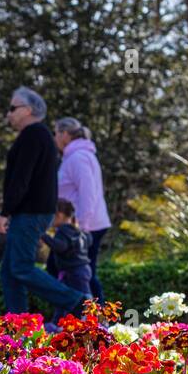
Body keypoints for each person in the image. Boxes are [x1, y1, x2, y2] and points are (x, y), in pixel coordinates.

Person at [0, 88, 89, 321]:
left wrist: (5, 213)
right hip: (33, 211)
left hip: (31, 212)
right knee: (9, 273)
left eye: (13, 108)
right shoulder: (38, 135)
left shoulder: (33, 135)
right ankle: (19, 328)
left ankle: (78, 303)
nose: (9, 114)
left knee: (21, 268)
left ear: (28, 110)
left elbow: (21, 178)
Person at [53, 117, 110, 303]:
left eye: (55, 133)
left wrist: (82, 228)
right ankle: (80, 319)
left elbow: (88, 193)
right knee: (76, 273)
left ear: (65, 135)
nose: (54, 138)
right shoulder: (75, 156)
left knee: (82, 274)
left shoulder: (78, 158)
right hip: (81, 226)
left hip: (85, 227)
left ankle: (100, 321)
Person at [43, 199, 92, 323]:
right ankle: (58, 323)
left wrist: (43, 236)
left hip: (74, 272)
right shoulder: (77, 230)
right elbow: (89, 240)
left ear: (58, 214)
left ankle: (92, 323)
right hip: (81, 270)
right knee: (65, 297)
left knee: (84, 299)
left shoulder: (63, 230)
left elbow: (61, 246)